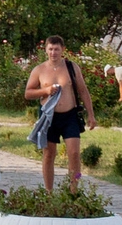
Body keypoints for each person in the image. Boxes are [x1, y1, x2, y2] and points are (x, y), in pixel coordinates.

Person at [25, 35, 97, 191]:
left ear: (63, 50)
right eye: (50, 49)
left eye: (56, 49)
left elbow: (83, 91)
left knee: (74, 153)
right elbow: (28, 93)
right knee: (49, 154)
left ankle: (73, 192)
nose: (53, 53)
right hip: (49, 116)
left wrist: (91, 115)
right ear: (46, 50)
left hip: (69, 115)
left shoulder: (71, 67)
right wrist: (45, 91)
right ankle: (49, 192)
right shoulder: (39, 70)